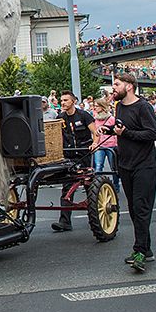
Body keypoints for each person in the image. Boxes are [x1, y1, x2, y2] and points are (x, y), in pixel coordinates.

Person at [112, 73, 156, 272]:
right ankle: (146, 249)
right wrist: (109, 132)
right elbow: (123, 130)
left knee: (141, 208)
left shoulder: (143, 107)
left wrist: (126, 133)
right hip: (125, 164)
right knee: (133, 209)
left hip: (144, 165)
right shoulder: (119, 107)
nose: (113, 88)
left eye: (116, 84)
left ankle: (139, 251)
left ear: (129, 86)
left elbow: (153, 133)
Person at [54, 90, 97, 232]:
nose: (63, 103)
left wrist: (95, 144)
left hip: (84, 153)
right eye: (61, 101)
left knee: (89, 186)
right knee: (67, 186)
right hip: (69, 155)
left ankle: (95, 217)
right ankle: (65, 222)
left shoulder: (84, 115)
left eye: (66, 100)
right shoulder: (60, 117)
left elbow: (95, 133)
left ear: (73, 101)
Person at [91, 98, 119, 193]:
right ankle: (98, 186)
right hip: (100, 145)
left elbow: (116, 131)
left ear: (102, 107)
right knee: (98, 167)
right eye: (94, 106)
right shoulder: (95, 119)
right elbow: (95, 133)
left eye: (97, 106)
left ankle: (116, 185)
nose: (95, 108)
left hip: (111, 145)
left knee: (113, 167)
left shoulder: (111, 119)